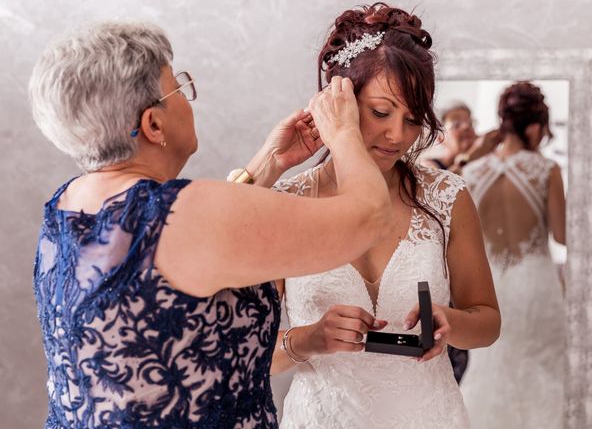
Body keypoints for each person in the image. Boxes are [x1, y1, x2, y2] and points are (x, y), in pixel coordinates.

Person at [29, 21, 394, 428]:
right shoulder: (183, 214)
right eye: (178, 88)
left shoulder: (67, 204)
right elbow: (369, 216)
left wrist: (267, 166)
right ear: (153, 124)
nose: (188, 99)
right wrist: (344, 132)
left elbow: (182, 256)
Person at [255, 3, 501, 428]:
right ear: (339, 100)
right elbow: (245, 351)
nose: (398, 136)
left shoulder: (447, 196)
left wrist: (451, 322)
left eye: (412, 119)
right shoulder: (287, 203)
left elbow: (488, 321)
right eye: (382, 112)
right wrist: (308, 339)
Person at [459, 81, 566, 428]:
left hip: (491, 284)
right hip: (534, 282)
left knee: (489, 365)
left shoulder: (472, 173)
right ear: (535, 126)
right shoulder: (545, 170)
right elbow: (562, 235)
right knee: (540, 367)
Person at [421, 101, 501, 175]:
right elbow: (439, 187)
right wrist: (469, 157)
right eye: (456, 125)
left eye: (470, 123)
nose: (466, 127)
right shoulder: (428, 166)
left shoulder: (482, 162)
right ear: (440, 138)